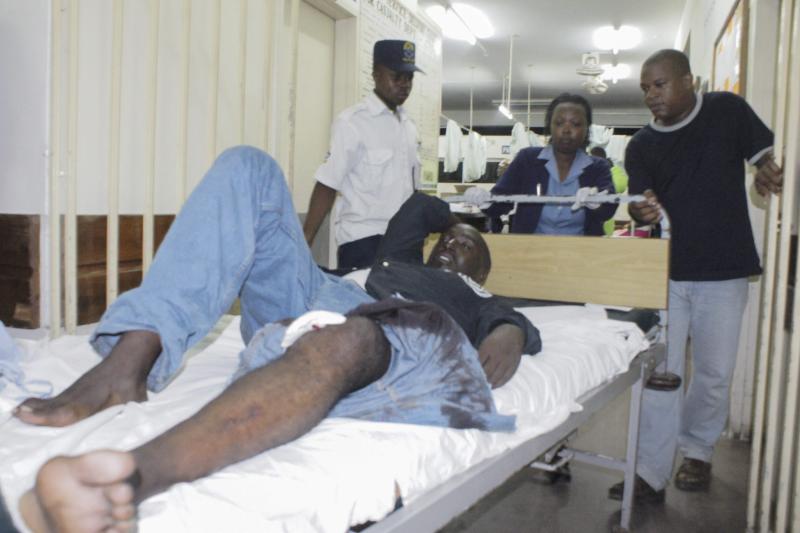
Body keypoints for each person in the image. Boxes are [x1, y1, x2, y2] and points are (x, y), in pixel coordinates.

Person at [12, 146, 541, 532]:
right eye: (447, 240)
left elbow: (518, 324)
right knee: (249, 165)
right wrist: (459, 219)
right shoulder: (399, 260)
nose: (451, 247)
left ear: (482, 271)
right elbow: (420, 205)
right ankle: (129, 361)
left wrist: (509, 330)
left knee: (348, 340)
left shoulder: (473, 293)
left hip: (394, 327)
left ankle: (126, 481)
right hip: (316, 289)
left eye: (465, 247)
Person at [607, 49, 783, 503]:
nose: (651, 95)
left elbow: (768, 157)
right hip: (666, 273)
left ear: (688, 81)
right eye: (645, 88)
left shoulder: (727, 110)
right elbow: (637, 203)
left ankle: (698, 451)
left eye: (659, 84)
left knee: (714, 372)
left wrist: (766, 172)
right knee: (661, 372)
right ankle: (650, 470)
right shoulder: (640, 145)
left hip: (724, 271)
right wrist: (641, 210)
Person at [303, 39, 422, 271]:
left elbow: (413, 190)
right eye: (397, 76)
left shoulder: (409, 127)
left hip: (405, 242)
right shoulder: (353, 123)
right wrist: (305, 240)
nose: (404, 84)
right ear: (376, 74)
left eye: (409, 78)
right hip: (364, 242)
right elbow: (328, 183)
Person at [477, 93, 616, 236]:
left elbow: (608, 210)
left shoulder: (598, 167)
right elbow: (499, 204)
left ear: (587, 129)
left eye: (576, 124)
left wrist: (597, 203)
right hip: (529, 248)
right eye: (559, 123)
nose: (566, 130)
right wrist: (484, 200)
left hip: (581, 248)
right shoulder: (527, 160)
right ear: (550, 126)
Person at [589, 146, 629, 235]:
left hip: (605, 224)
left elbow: (621, 186)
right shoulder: (588, 171)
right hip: (594, 224)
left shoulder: (612, 171)